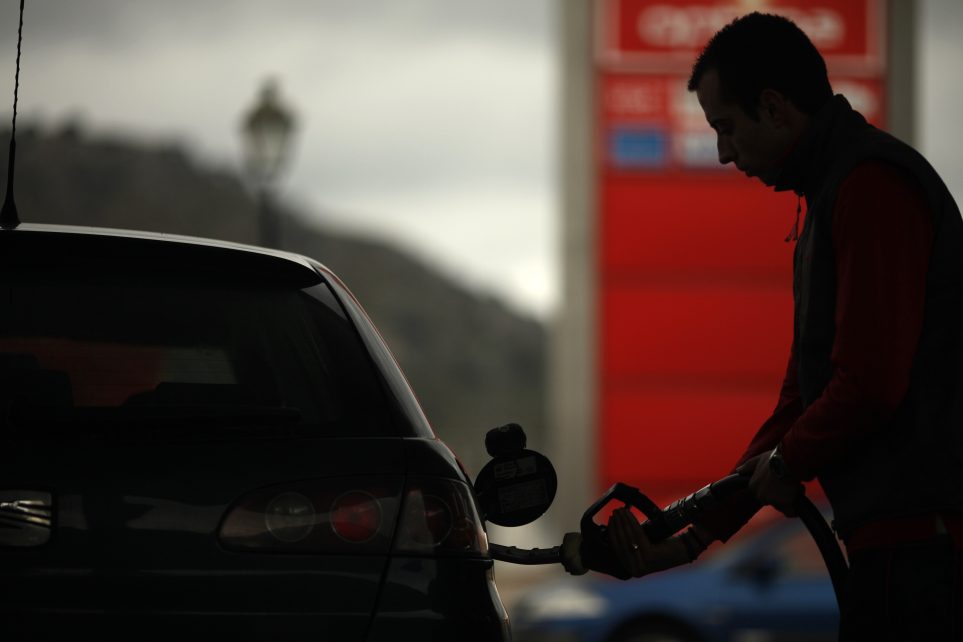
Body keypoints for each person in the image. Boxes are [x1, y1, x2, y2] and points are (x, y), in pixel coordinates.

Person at [606, 12, 963, 641]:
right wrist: (694, 538)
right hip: (893, 543)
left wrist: (791, 459)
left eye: (727, 128)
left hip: (925, 545)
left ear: (773, 108)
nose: (722, 152)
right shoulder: (830, 196)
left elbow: (871, 381)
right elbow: (802, 399)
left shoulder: (871, 187)